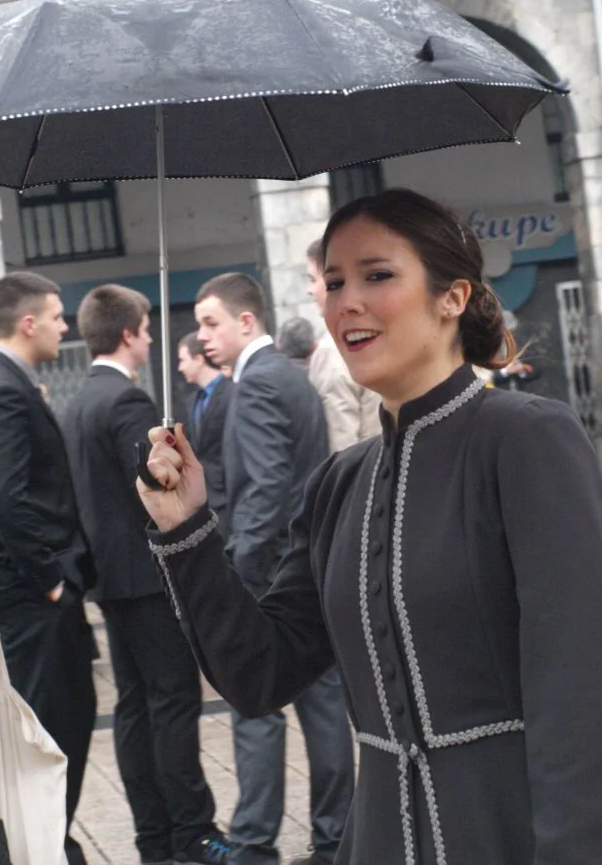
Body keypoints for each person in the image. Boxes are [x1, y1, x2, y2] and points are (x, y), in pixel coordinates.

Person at [136, 188, 602, 865]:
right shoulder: (337, 483)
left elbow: (578, 690)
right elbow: (260, 675)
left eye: (377, 275)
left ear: (452, 297)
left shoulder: (527, 439)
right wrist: (186, 531)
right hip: (380, 836)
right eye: (333, 281)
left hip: (516, 832)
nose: (345, 301)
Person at [189, 273, 355, 865]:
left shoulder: (257, 385)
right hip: (307, 564)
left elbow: (262, 490)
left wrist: (236, 571)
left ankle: (256, 842)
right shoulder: (286, 374)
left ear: (245, 321)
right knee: (325, 705)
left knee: (255, 708)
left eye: (211, 322)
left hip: (271, 574)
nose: (202, 335)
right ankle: (336, 834)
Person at [62, 286, 228, 865]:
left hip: (110, 578)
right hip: (149, 576)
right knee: (175, 702)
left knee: (134, 709)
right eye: (148, 327)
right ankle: (193, 832)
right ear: (129, 334)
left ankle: (153, 837)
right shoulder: (129, 405)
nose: (153, 337)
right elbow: (155, 492)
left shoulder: (80, 401)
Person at [0, 272, 96, 865]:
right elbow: (5, 498)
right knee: (54, 732)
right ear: (28, 323)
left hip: (36, 596)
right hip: (31, 600)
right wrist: (49, 580)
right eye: (56, 315)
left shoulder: (8, 382)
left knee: (67, 724)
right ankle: (47, 849)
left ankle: (54, 845)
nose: (64, 325)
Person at [306, 239, 380, 453]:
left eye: (313, 279)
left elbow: (342, 440)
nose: (309, 290)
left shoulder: (333, 350)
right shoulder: (378, 337)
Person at [177, 332, 232, 524]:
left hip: (230, 497)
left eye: (183, 360)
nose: (180, 367)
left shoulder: (231, 391)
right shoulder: (192, 400)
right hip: (206, 500)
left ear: (199, 359)